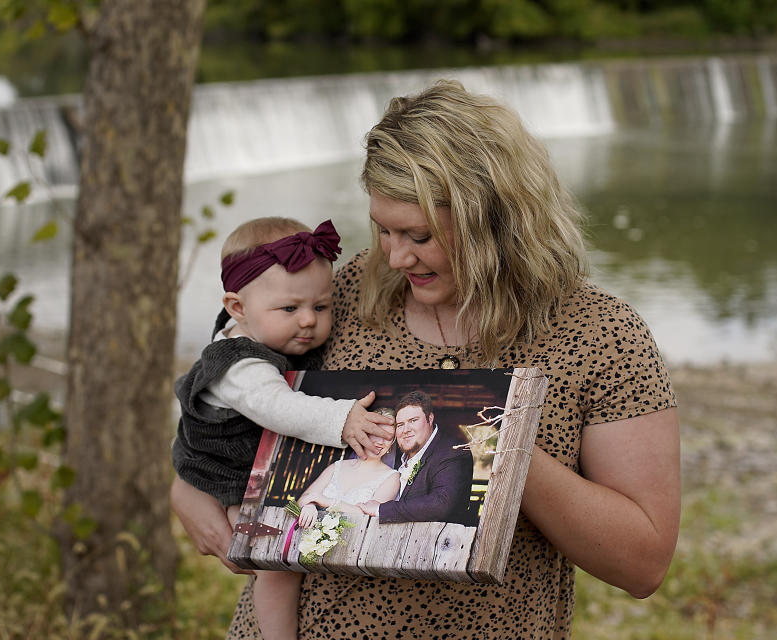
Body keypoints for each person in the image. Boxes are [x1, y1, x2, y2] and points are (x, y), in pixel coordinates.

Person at [171, 80, 681, 639]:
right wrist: (187, 490)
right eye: (383, 229)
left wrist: (498, 450)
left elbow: (642, 563)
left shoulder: (601, 336)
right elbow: (233, 389)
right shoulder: (340, 297)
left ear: (497, 219)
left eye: (418, 235)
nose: (394, 255)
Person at [171, 216, 394, 640]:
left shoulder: (271, 333)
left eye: (321, 307)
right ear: (238, 308)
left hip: (260, 471)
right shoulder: (240, 365)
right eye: (290, 309)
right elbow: (279, 408)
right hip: (227, 480)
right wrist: (341, 418)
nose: (309, 321)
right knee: (275, 560)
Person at [358, 390, 474, 525]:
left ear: (429, 419)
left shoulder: (453, 451)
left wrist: (381, 509)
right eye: (400, 425)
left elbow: (441, 503)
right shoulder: (394, 455)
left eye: (413, 421)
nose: (406, 429)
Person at [295, 407, 400, 529]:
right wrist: (310, 505)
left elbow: (371, 515)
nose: (380, 441)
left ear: (392, 442)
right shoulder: (337, 466)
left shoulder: (392, 477)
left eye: (387, 437)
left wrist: (327, 501)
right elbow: (304, 499)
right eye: (376, 433)